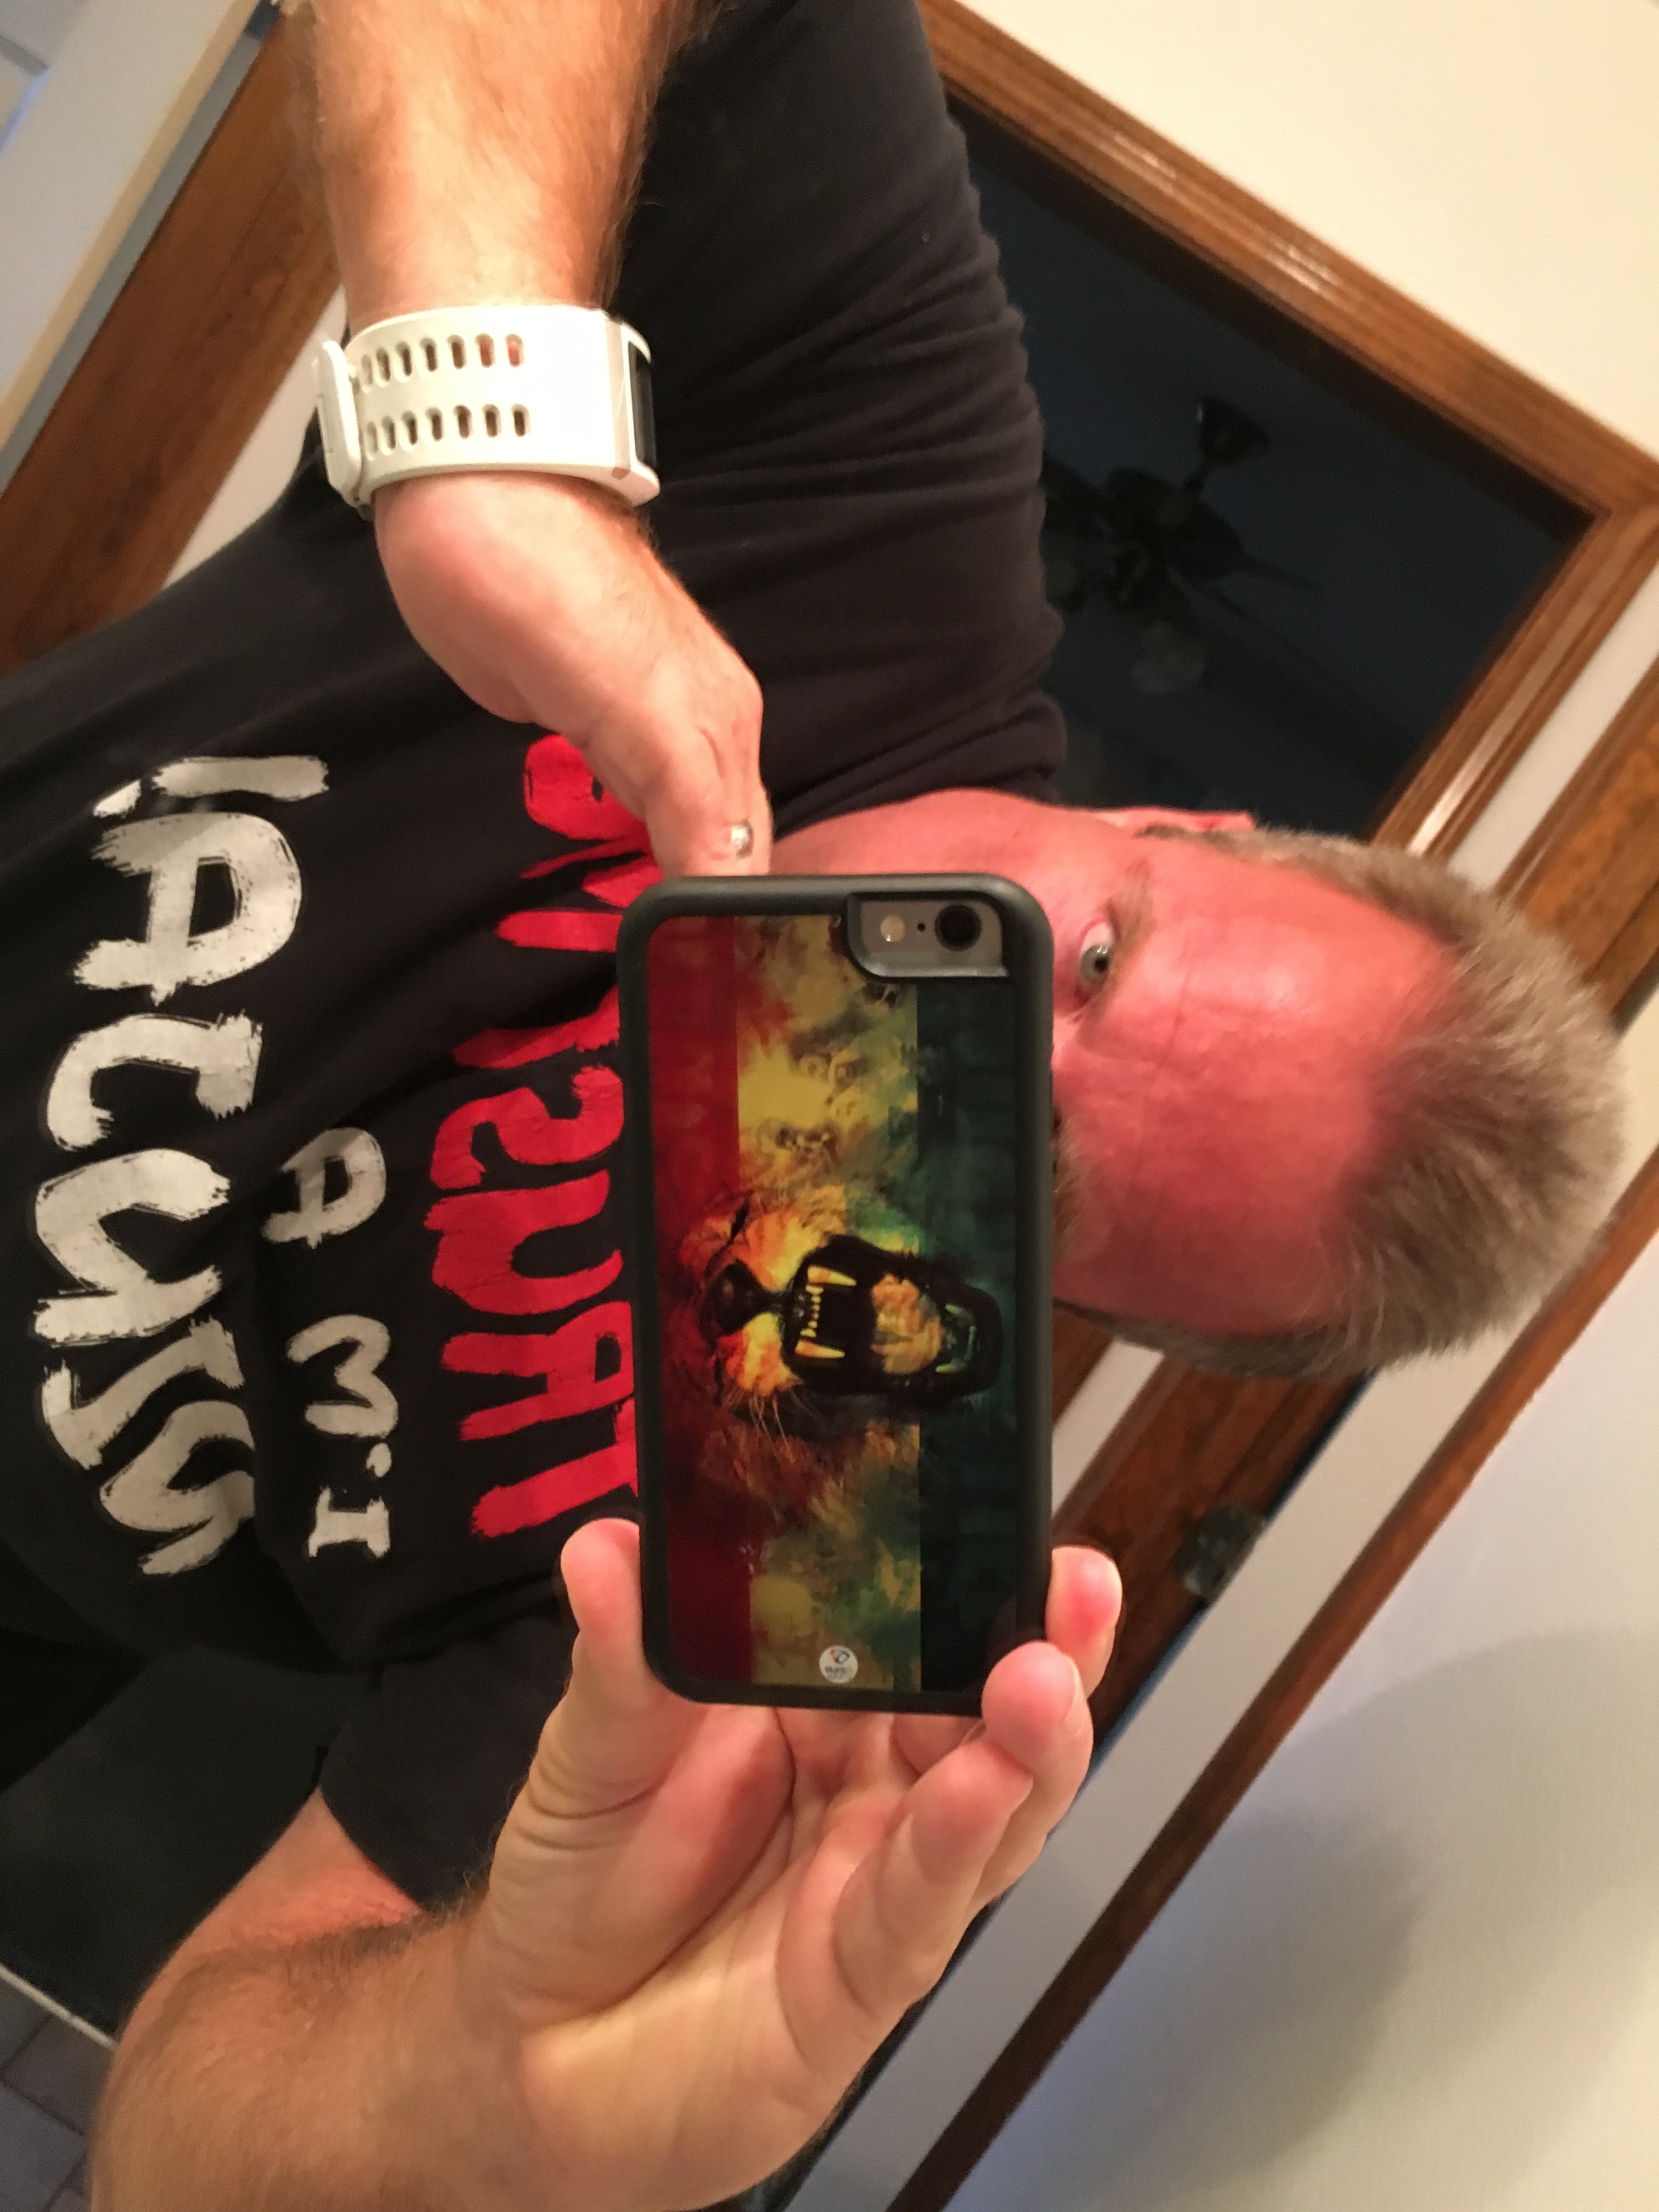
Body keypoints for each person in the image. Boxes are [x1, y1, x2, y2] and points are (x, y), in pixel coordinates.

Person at [0, 0, 1616, 2203]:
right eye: (1100, 957)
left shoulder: (787, 1511)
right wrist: (490, 417)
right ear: (1193, 826)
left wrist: (485, 2087)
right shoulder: (870, 524)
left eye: (1043, 1172)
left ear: (1058, 1314)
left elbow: (180, 2142)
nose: (981, 1043)